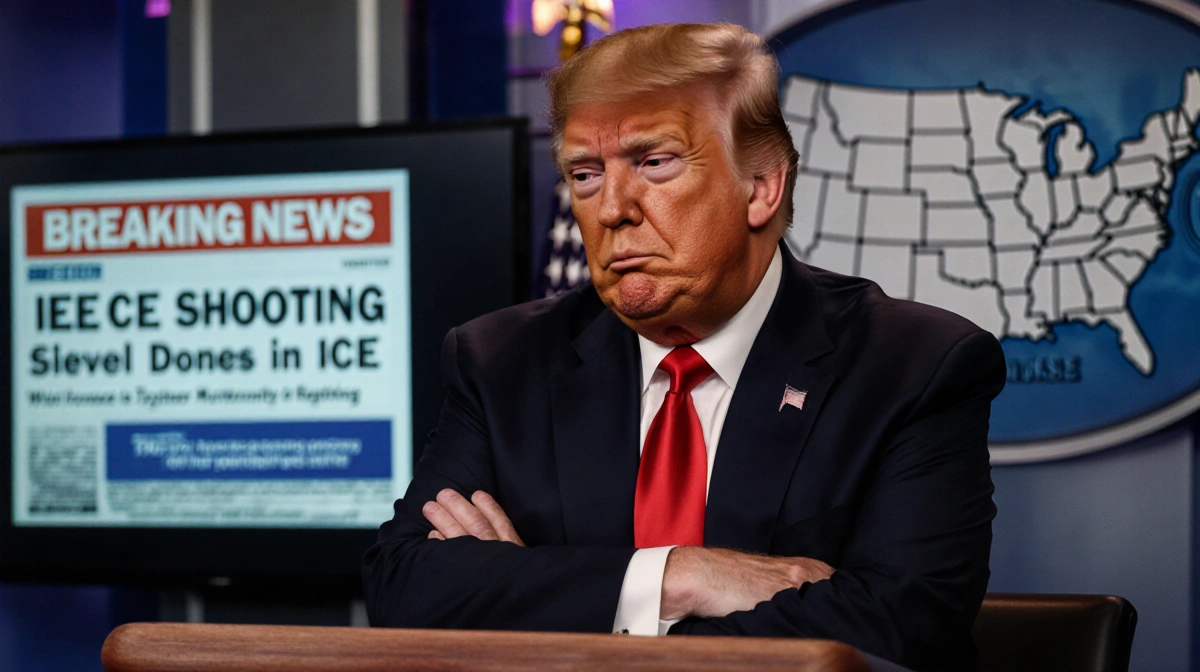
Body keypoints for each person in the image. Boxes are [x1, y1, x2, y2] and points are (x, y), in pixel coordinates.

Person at [363, 22, 1004, 672]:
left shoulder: (912, 365)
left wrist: (547, 596)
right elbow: (408, 590)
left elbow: (901, 628)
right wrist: (679, 577)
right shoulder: (503, 361)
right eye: (584, 174)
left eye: (654, 162)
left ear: (760, 187)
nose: (611, 208)